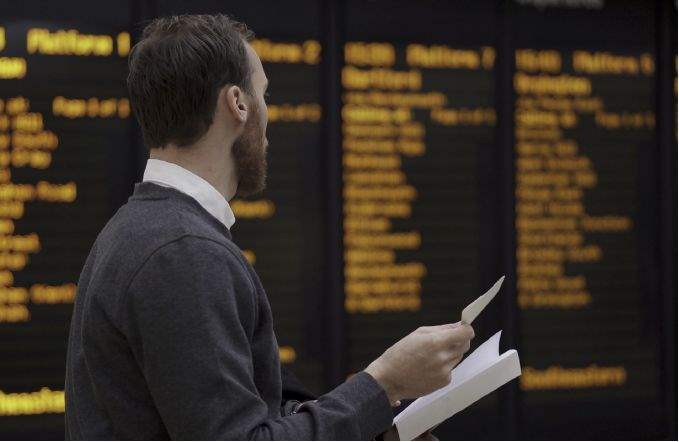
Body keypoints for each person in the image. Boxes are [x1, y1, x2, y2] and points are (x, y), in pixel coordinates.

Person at [64, 14, 475, 440]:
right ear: (238, 104)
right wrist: (385, 382)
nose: (267, 116)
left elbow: (250, 416)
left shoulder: (145, 230)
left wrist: (374, 424)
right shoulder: (182, 252)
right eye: (264, 94)